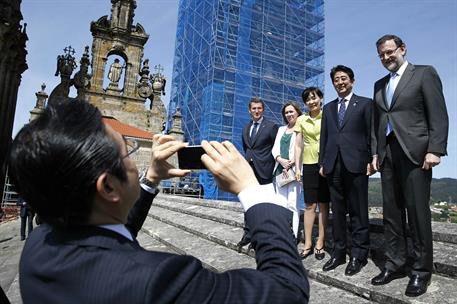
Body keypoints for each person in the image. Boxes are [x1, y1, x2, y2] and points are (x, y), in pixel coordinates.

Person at [9, 99, 309, 304]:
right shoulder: (157, 280)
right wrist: (251, 190)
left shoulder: (39, 245)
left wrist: (150, 178)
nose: (133, 159)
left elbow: (110, 230)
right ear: (109, 187)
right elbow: (287, 291)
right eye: (127, 152)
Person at [370, 34, 449, 297]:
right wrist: (375, 153)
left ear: (402, 49)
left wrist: (435, 149)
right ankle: (395, 264)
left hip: (416, 152)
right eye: (381, 54)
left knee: (417, 214)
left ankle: (420, 272)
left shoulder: (424, 74)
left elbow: (438, 112)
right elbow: (377, 123)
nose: (385, 58)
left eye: (389, 52)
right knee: (391, 214)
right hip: (388, 154)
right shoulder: (379, 85)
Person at [319, 65, 373, 276]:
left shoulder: (366, 104)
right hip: (333, 165)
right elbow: (325, 137)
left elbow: (371, 134)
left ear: (352, 80)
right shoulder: (329, 108)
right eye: (336, 80)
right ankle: (339, 253)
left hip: (357, 163)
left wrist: (371, 158)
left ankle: (359, 256)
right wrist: (323, 162)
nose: (340, 82)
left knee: (359, 211)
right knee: (338, 213)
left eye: (343, 79)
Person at [238, 97, 278, 251]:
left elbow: (275, 148)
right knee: (248, 201)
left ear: (263, 110)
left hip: (265, 169)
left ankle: (261, 235)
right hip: (249, 169)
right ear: (250, 110)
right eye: (254, 108)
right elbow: (247, 148)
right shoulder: (245, 128)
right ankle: (247, 233)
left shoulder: (271, 126)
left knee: (263, 203)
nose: (256, 111)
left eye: (259, 108)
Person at [294, 88, 330, 260]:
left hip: (325, 163)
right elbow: (298, 145)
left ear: (320, 98)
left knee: (323, 204)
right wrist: (297, 167)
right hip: (308, 164)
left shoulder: (328, 115)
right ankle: (308, 242)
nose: (311, 102)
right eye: (308, 99)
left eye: (314, 98)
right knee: (309, 205)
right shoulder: (301, 119)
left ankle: (320, 242)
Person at [272, 101, 302, 240]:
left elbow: (303, 148)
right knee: (281, 203)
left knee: (293, 203)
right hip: (280, 170)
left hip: (294, 171)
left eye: (291, 111)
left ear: (297, 112)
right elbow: (275, 148)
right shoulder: (280, 129)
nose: (289, 114)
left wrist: (291, 163)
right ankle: (282, 233)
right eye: (286, 112)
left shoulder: (302, 128)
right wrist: (279, 159)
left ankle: (293, 235)